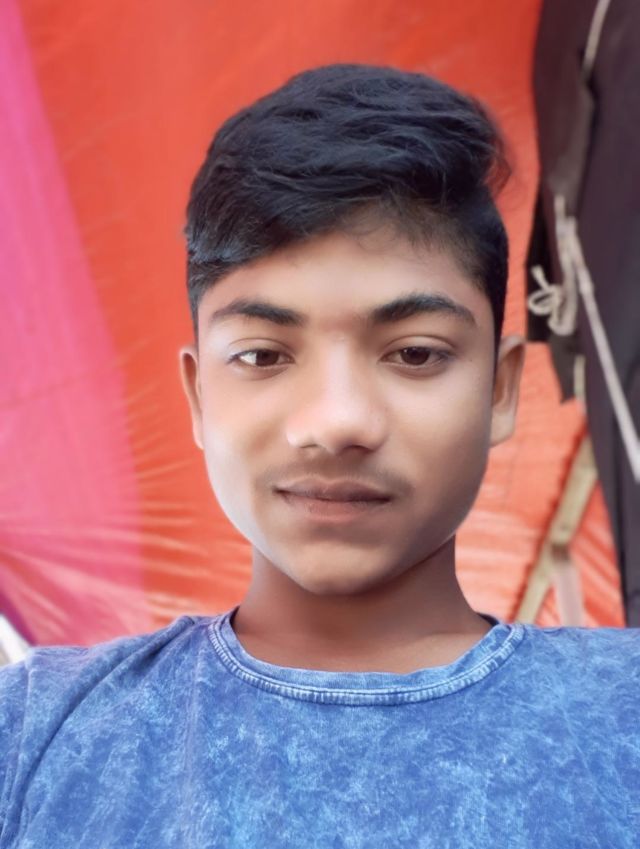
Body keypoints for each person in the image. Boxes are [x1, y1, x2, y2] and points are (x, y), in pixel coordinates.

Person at [1, 64, 638, 849]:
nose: (336, 422)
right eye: (263, 356)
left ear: (500, 390)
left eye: (414, 352)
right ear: (199, 396)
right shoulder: (32, 734)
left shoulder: (622, 714)